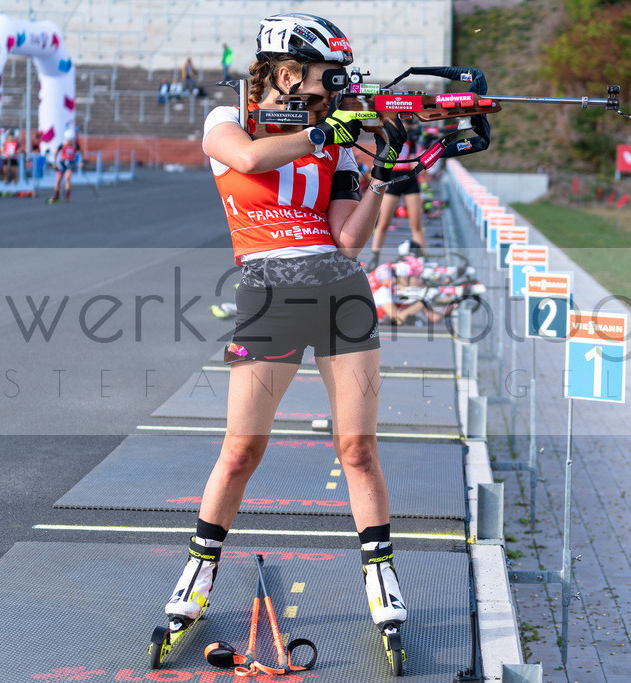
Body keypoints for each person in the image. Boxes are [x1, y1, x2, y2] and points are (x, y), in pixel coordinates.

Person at [162, 11, 410, 658]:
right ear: (290, 72)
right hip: (269, 290)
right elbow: (246, 158)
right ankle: (198, 573)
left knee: (358, 449)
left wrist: (382, 168)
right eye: (329, 75)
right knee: (240, 449)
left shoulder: (337, 139)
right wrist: (322, 132)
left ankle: (382, 580)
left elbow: (349, 241)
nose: (339, 87)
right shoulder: (230, 117)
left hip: (341, 291)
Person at [363, 124, 426, 270]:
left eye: (407, 122)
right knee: (383, 222)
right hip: (393, 177)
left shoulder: (412, 136)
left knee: (416, 224)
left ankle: (422, 259)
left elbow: (414, 160)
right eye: (402, 121)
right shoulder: (387, 132)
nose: (405, 125)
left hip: (409, 178)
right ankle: (374, 256)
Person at [48, 129, 81, 203]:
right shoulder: (62, 144)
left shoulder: (75, 145)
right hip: (62, 163)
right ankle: (56, 196)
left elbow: (81, 151)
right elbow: (56, 152)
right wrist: (54, 162)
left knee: (67, 178)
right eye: (68, 140)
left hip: (71, 163)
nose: (69, 142)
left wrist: (81, 161)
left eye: (71, 140)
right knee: (58, 180)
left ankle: (67, 195)